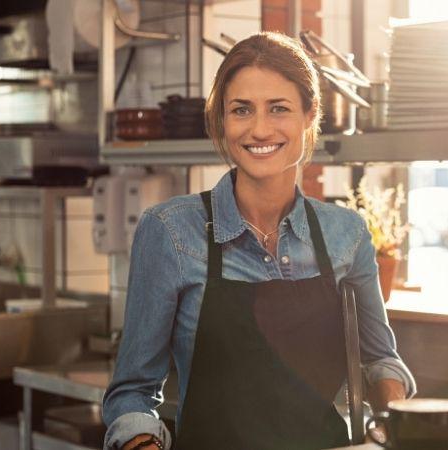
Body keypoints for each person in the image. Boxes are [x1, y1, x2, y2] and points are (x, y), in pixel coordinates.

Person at [102, 32, 416, 450]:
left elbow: (379, 360)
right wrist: (141, 443)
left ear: (309, 116)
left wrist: (392, 422)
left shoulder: (346, 235)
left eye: (279, 108)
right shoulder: (171, 231)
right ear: (222, 121)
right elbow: (132, 392)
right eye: (241, 110)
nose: (259, 128)